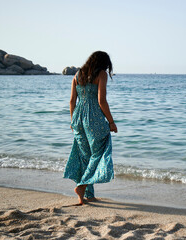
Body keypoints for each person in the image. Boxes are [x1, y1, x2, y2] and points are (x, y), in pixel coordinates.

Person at [63, 51, 117, 205]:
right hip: (93, 117)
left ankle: (87, 196)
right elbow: (102, 101)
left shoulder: (77, 75)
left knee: (85, 156)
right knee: (99, 152)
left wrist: (73, 120)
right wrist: (111, 122)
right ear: (103, 63)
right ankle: (82, 186)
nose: (107, 68)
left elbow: (72, 100)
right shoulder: (101, 74)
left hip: (78, 117)